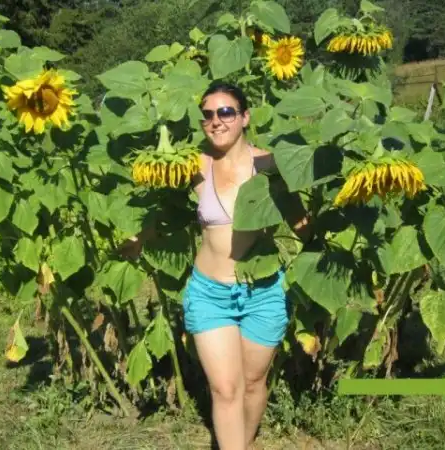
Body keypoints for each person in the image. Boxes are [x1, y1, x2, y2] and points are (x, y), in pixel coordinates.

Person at [120, 82, 310, 450]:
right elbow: (167, 211)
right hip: (210, 293)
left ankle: (244, 442)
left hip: (262, 291)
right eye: (207, 115)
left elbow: (299, 220)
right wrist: (139, 238)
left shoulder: (270, 164)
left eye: (225, 112)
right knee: (225, 389)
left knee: (252, 384)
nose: (216, 121)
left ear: (245, 117)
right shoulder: (194, 164)